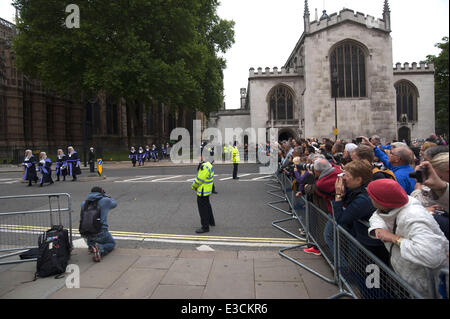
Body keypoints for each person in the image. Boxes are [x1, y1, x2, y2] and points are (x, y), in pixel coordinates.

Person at [367, 179, 448, 298]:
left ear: (381, 201)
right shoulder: (400, 203)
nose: (370, 198)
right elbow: (377, 215)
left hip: (428, 284)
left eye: (371, 196)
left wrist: (394, 238)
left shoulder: (414, 217)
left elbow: (431, 256)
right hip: (409, 276)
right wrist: (378, 228)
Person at [332, 160, 390, 265]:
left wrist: (338, 195)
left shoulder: (363, 199)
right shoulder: (359, 190)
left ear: (358, 179)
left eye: (347, 175)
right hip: (364, 239)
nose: (343, 178)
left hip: (370, 245)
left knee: (366, 276)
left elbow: (341, 219)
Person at [81, 186, 117, 262]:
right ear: (101, 192)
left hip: (85, 231)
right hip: (100, 231)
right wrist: (106, 195)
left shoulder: (84, 203)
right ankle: (99, 249)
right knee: (111, 243)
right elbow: (114, 204)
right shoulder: (105, 201)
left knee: (90, 232)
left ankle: (91, 246)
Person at [192, 158, 215, 233]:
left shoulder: (204, 167)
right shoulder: (209, 165)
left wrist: (193, 187)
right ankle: (211, 221)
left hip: (202, 190)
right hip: (207, 190)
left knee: (202, 209)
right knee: (207, 205)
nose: (198, 158)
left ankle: (205, 227)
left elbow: (199, 180)